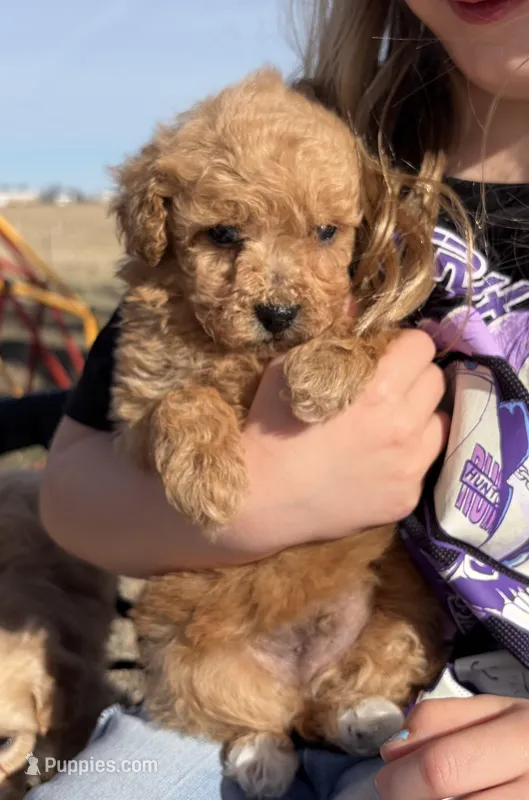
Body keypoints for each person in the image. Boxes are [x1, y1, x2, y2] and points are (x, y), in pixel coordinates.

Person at [34, 0, 529, 797]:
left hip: (441, 695)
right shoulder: (303, 130)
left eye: (325, 236)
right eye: (224, 238)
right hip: (218, 686)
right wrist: (260, 505)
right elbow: (71, 488)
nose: (271, 286)